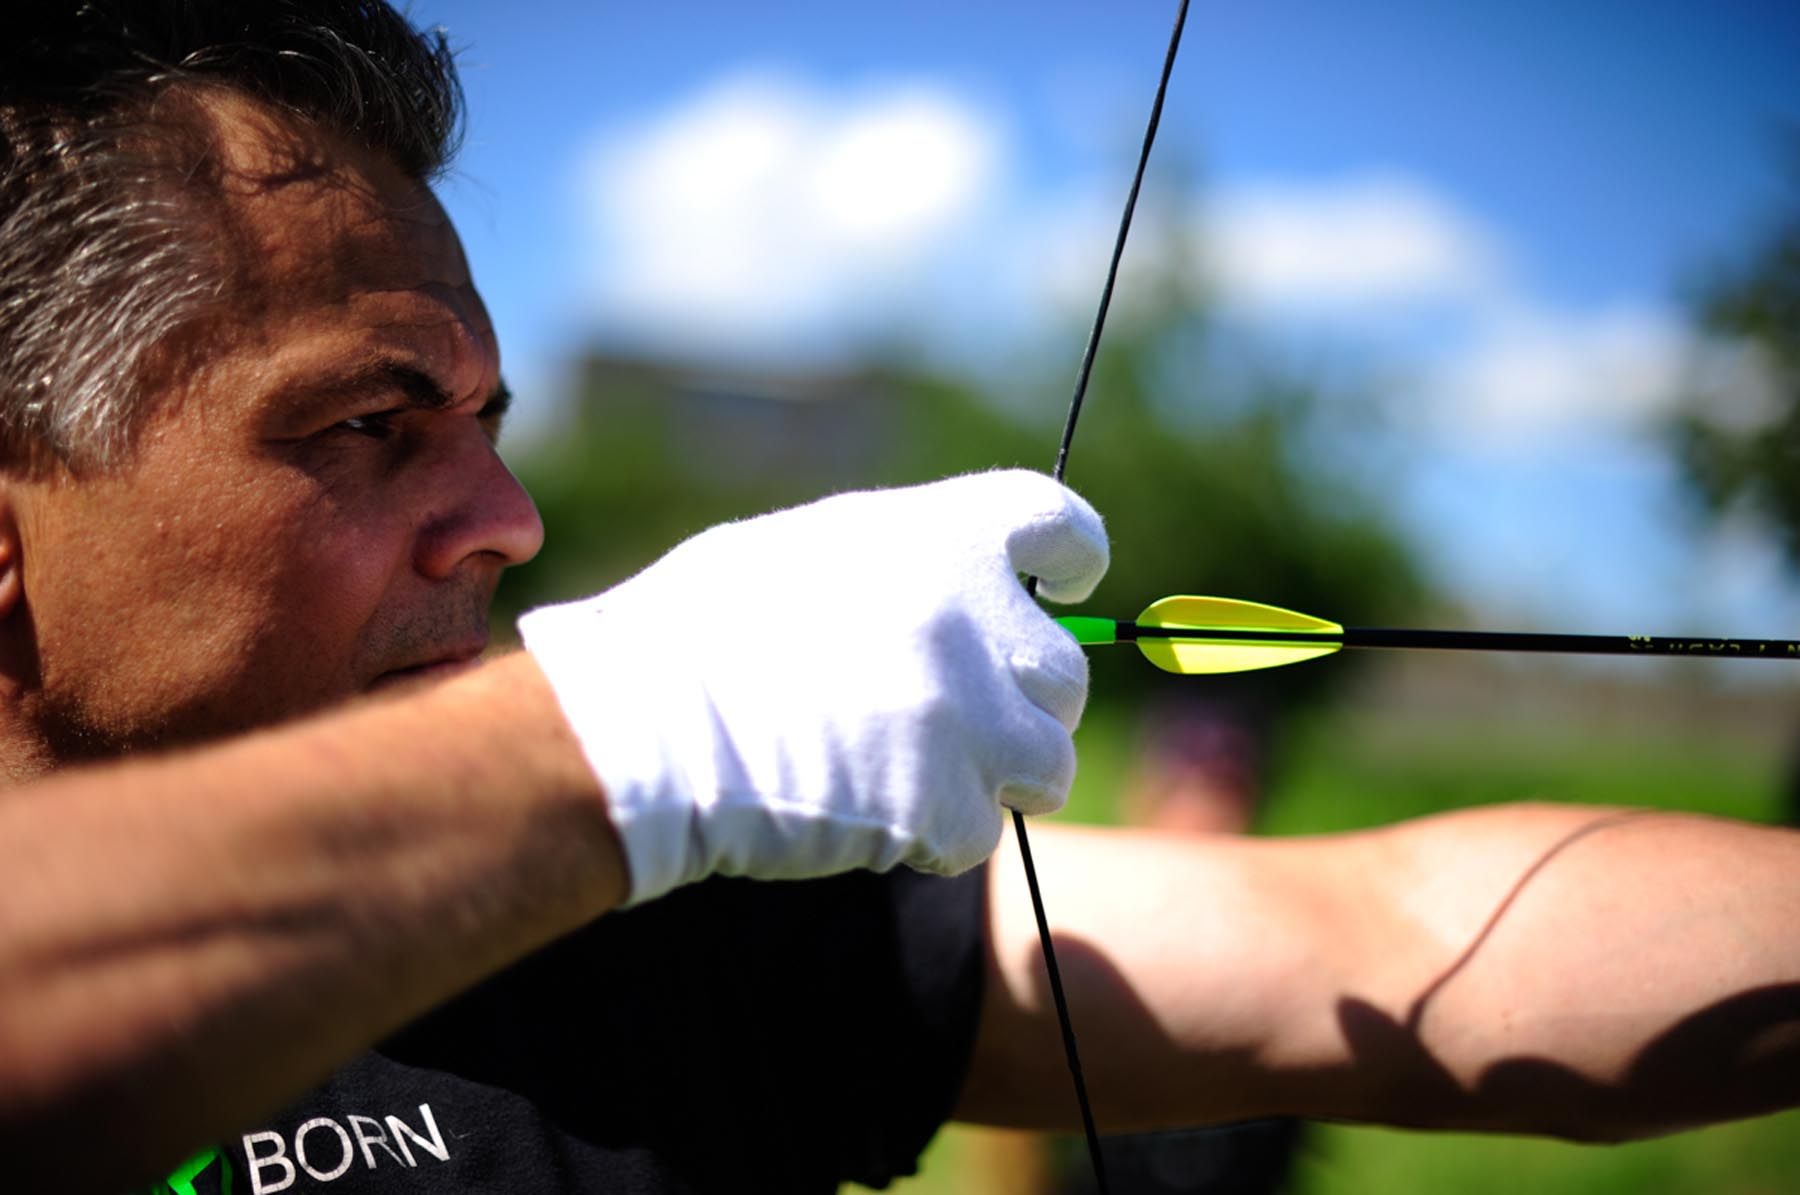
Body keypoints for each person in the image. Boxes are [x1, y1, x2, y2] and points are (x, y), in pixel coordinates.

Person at [1, 5, 1795, 1193]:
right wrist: (628, 733)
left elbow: (1391, 943)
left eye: (490, 424)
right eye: (372, 424)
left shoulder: (609, 928)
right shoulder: (599, 807)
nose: (512, 520)